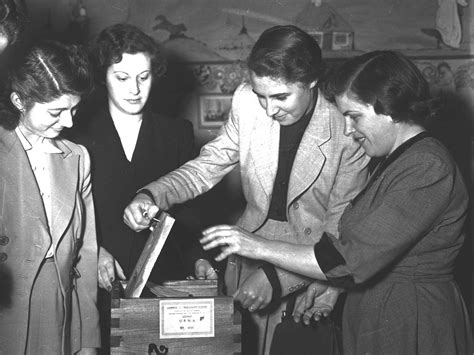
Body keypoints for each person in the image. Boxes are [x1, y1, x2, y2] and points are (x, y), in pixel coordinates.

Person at [200, 50, 473, 354]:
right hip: (383, 313)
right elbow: (364, 249)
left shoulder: (426, 166)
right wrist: (332, 286)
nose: (347, 130)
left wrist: (256, 246)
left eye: (354, 116)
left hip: (412, 320)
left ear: (391, 108)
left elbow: (348, 259)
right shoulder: (396, 161)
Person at [124, 25, 369, 354]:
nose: (269, 110)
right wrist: (153, 195)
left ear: (312, 81)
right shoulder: (245, 101)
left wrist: (278, 278)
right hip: (247, 261)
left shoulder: (346, 124)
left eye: (281, 97)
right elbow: (209, 163)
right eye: (261, 96)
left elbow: (340, 230)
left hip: (310, 271)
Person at [70, 23, 216, 352]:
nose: (134, 89)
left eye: (144, 76)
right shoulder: (76, 133)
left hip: (164, 286)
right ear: (102, 76)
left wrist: (199, 260)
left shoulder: (177, 133)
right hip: (99, 287)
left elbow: (189, 215)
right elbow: (66, 212)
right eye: (122, 77)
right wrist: (92, 252)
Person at [0, 41, 99, 354]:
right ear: (19, 100)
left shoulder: (78, 157)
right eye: (56, 112)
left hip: (57, 307)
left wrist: (86, 339)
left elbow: (87, 252)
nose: (69, 122)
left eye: (74, 109)